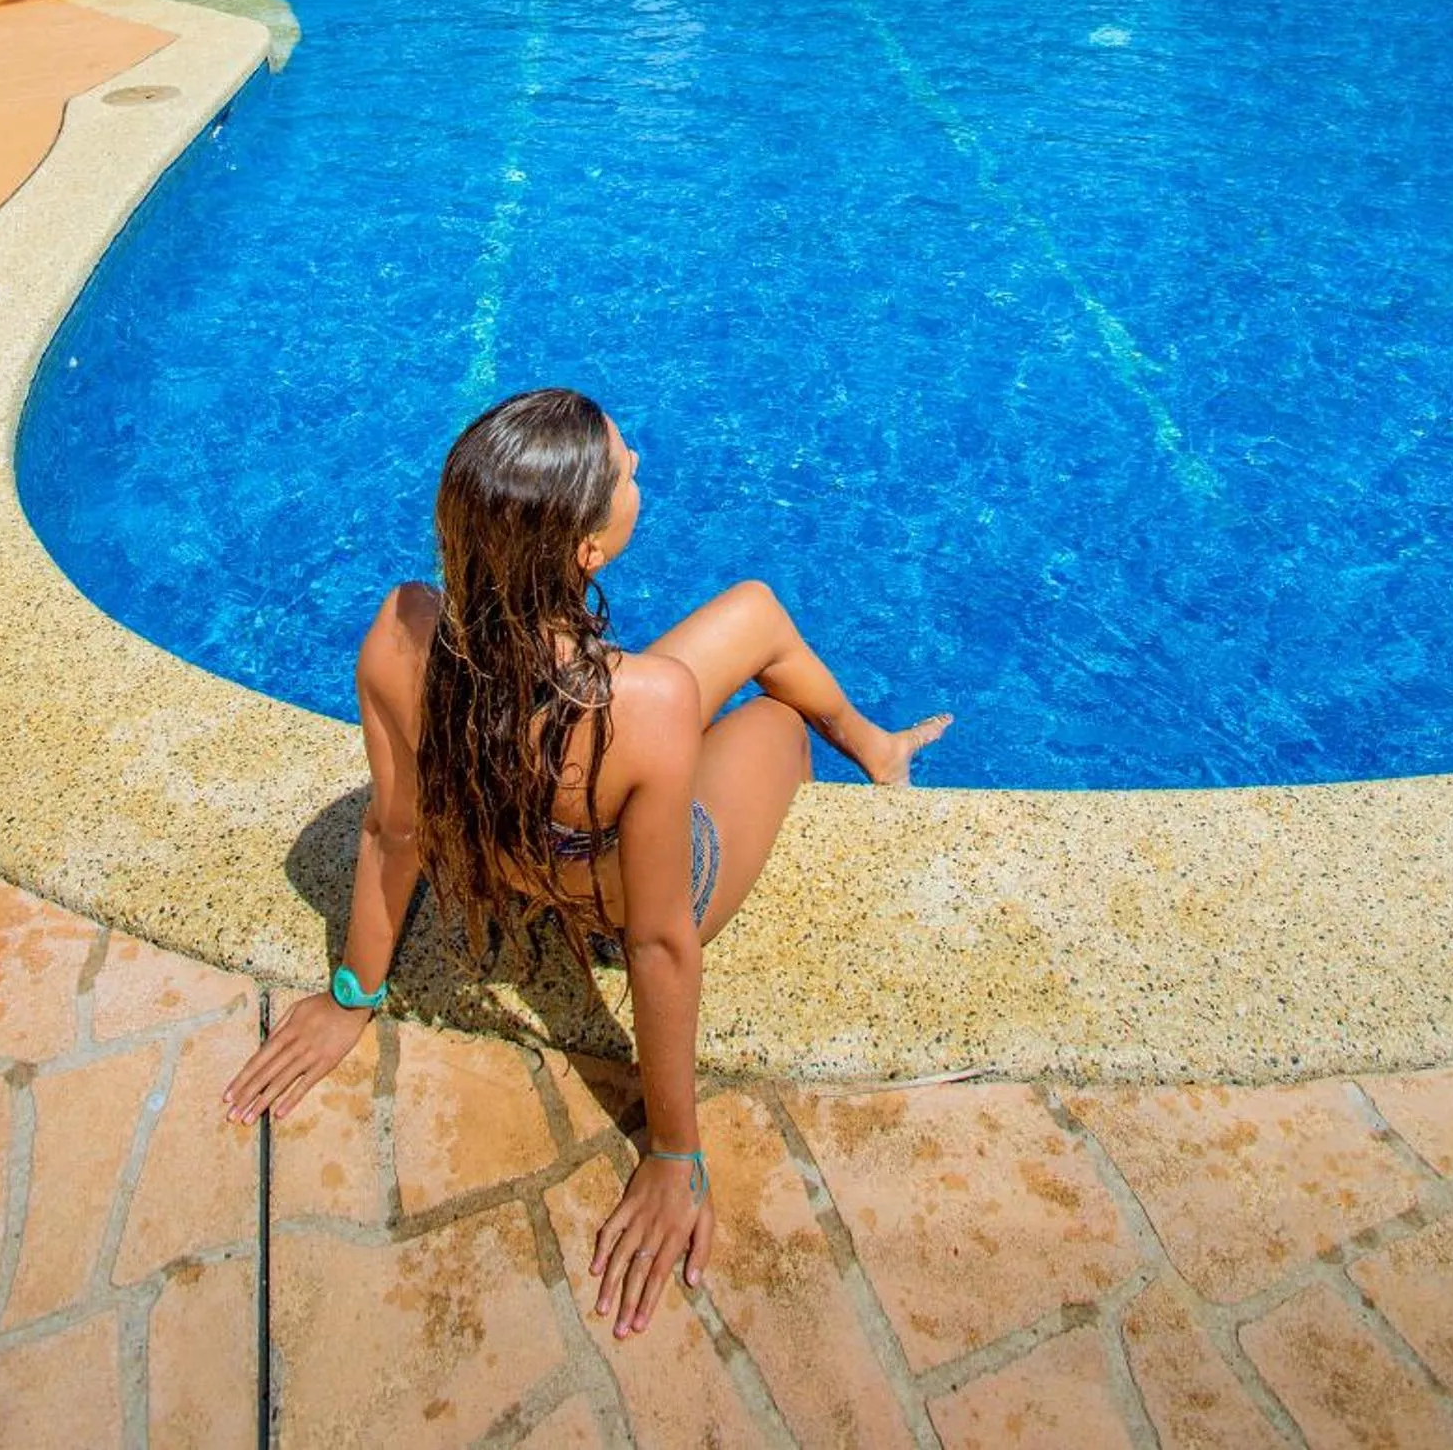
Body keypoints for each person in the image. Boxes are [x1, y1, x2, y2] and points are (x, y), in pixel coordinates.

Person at [223, 387, 949, 1337]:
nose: (638, 459)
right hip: (625, 903)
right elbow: (657, 942)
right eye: (623, 468)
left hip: (538, 830)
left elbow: (393, 831)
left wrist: (354, 990)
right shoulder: (644, 702)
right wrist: (673, 1152)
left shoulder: (402, 631)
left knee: (755, 611)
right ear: (587, 553)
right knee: (774, 720)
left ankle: (879, 747)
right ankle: (862, 748)